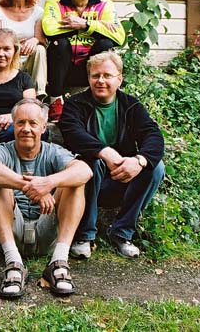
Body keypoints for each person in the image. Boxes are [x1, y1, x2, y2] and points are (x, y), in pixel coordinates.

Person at [0, 99, 92, 299]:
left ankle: (59, 262)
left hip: (47, 232)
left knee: (74, 182)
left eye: (33, 123)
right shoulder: (2, 150)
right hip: (10, 231)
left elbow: (85, 171)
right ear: (14, 126)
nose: (26, 129)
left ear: (43, 127)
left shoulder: (53, 151)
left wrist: (49, 183)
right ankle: (13, 263)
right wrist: (30, 187)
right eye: (20, 123)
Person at [58, 51, 165, 260]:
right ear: (89, 78)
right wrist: (105, 152)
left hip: (121, 179)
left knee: (156, 168)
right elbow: (73, 133)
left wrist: (139, 161)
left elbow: (153, 135)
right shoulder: (75, 105)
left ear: (119, 79)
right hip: (88, 183)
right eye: (95, 75)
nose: (101, 81)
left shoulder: (131, 105)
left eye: (107, 75)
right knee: (90, 162)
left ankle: (122, 233)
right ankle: (84, 235)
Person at [41, 0, 126, 122]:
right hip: (61, 68)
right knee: (59, 43)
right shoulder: (54, 3)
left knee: (105, 44)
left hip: (89, 68)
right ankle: (55, 102)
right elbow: (50, 30)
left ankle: (99, 99)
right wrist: (99, 26)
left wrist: (85, 24)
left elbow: (119, 36)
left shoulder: (105, 4)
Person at [0, 28, 36, 143]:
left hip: (12, 130)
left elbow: (31, 108)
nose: (0, 54)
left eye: (6, 49)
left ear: (15, 51)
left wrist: (12, 116)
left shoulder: (24, 79)